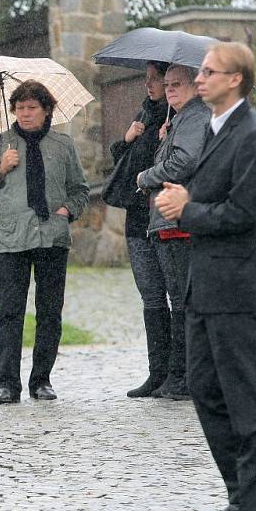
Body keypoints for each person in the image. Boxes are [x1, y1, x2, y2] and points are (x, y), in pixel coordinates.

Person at [156, 41, 256, 511]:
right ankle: (241, 493)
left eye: (209, 72)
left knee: (246, 395)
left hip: (235, 284)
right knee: (205, 388)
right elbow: (212, 197)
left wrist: (188, 209)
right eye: (200, 72)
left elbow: (244, 215)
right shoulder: (215, 128)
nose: (198, 79)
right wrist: (186, 197)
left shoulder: (253, 137)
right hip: (203, 284)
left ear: (236, 80)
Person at [0, 80, 90, 405]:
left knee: (50, 311)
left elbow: (81, 189)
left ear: (46, 109)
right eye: (20, 108)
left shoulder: (62, 145)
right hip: (11, 239)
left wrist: (69, 210)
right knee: (10, 313)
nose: (25, 113)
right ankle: (7, 384)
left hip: (52, 237)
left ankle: (42, 381)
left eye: (32, 108)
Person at [134, 64, 211, 400]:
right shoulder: (179, 118)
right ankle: (176, 375)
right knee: (178, 301)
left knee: (182, 303)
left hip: (178, 222)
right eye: (167, 85)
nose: (170, 90)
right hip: (168, 221)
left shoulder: (194, 116)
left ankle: (183, 378)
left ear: (195, 85)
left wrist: (145, 177)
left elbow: (184, 162)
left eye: (177, 84)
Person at [105, 61, 171, 399]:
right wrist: (127, 138)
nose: (149, 85)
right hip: (136, 217)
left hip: (163, 216)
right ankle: (156, 372)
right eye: (146, 79)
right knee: (150, 296)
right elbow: (125, 162)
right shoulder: (145, 111)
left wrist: (164, 138)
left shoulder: (176, 117)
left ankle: (177, 372)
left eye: (155, 79)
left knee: (171, 294)